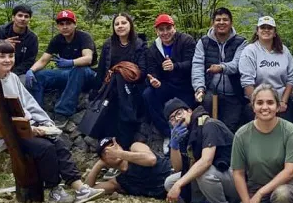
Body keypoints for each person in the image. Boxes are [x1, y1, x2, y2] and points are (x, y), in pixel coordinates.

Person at [0, 40, 104, 203]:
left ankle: (79, 188)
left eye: (10, 56)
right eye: (2, 56)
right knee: (45, 148)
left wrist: (46, 124)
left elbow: (30, 103)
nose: (7, 60)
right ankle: (55, 191)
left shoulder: (12, 78)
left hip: (24, 129)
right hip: (4, 135)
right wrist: (31, 129)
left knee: (57, 142)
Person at [162, 98, 240, 203]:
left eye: (179, 113)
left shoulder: (208, 124)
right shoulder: (183, 133)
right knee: (169, 182)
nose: (177, 119)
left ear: (189, 111)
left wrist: (179, 185)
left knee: (203, 173)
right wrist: (174, 145)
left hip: (237, 178)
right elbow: (178, 168)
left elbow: (206, 161)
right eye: (172, 118)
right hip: (218, 176)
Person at [26, 10, 98, 124]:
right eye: (61, 24)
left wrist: (71, 62)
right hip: (67, 73)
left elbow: (88, 58)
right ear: (58, 26)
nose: (65, 27)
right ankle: (36, 113)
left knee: (78, 70)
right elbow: (44, 60)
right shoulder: (57, 39)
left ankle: (62, 113)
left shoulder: (83, 37)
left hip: (87, 75)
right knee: (38, 76)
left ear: (75, 24)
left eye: (68, 23)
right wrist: (31, 71)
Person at [95, 13, 147, 149]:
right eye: (117, 24)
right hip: (111, 87)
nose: (120, 26)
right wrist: (96, 90)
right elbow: (101, 70)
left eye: (124, 23)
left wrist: (124, 71)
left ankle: (123, 146)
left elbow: (142, 71)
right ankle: (108, 147)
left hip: (132, 88)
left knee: (119, 78)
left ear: (130, 24)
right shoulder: (109, 45)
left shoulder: (139, 44)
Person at [192, 7, 248, 132]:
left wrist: (222, 68)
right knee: (206, 125)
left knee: (228, 129)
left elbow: (237, 64)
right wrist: (199, 88)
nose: (221, 23)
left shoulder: (241, 42)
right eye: (218, 20)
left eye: (225, 20)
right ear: (213, 23)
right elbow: (197, 66)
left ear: (231, 22)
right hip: (210, 92)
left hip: (234, 94)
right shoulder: (203, 42)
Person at [143, 14, 196, 139]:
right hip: (166, 85)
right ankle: (168, 133)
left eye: (168, 28)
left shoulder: (186, 41)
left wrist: (175, 66)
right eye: (161, 29)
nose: (165, 32)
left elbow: (193, 63)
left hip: (186, 85)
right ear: (156, 31)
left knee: (187, 112)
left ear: (174, 28)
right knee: (148, 94)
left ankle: (191, 136)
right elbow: (151, 70)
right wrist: (154, 80)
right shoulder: (153, 49)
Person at [238, 16, 293, 121]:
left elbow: (291, 78)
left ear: (274, 32)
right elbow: (247, 82)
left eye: (269, 28)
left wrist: (283, 102)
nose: (266, 30)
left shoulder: (284, 51)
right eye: (262, 27)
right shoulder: (249, 51)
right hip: (257, 102)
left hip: (280, 102)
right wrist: (257, 105)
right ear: (257, 31)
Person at [85, 137, 173, 198]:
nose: (112, 150)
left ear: (120, 146)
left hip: (175, 173)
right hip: (171, 192)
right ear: (105, 161)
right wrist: (98, 165)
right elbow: (87, 191)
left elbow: (151, 160)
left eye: (113, 145)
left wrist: (118, 153)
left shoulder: (136, 147)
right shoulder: (119, 182)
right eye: (106, 152)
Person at [0, 4, 38, 76]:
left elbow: (29, 61)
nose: (23, 19)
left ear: (29, 19)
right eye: (20, 15)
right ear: (13, 17)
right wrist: (2, 43)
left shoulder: (32, 38)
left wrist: (12, 74)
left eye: (26, 16)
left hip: (19, 73)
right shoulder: (2, 31)